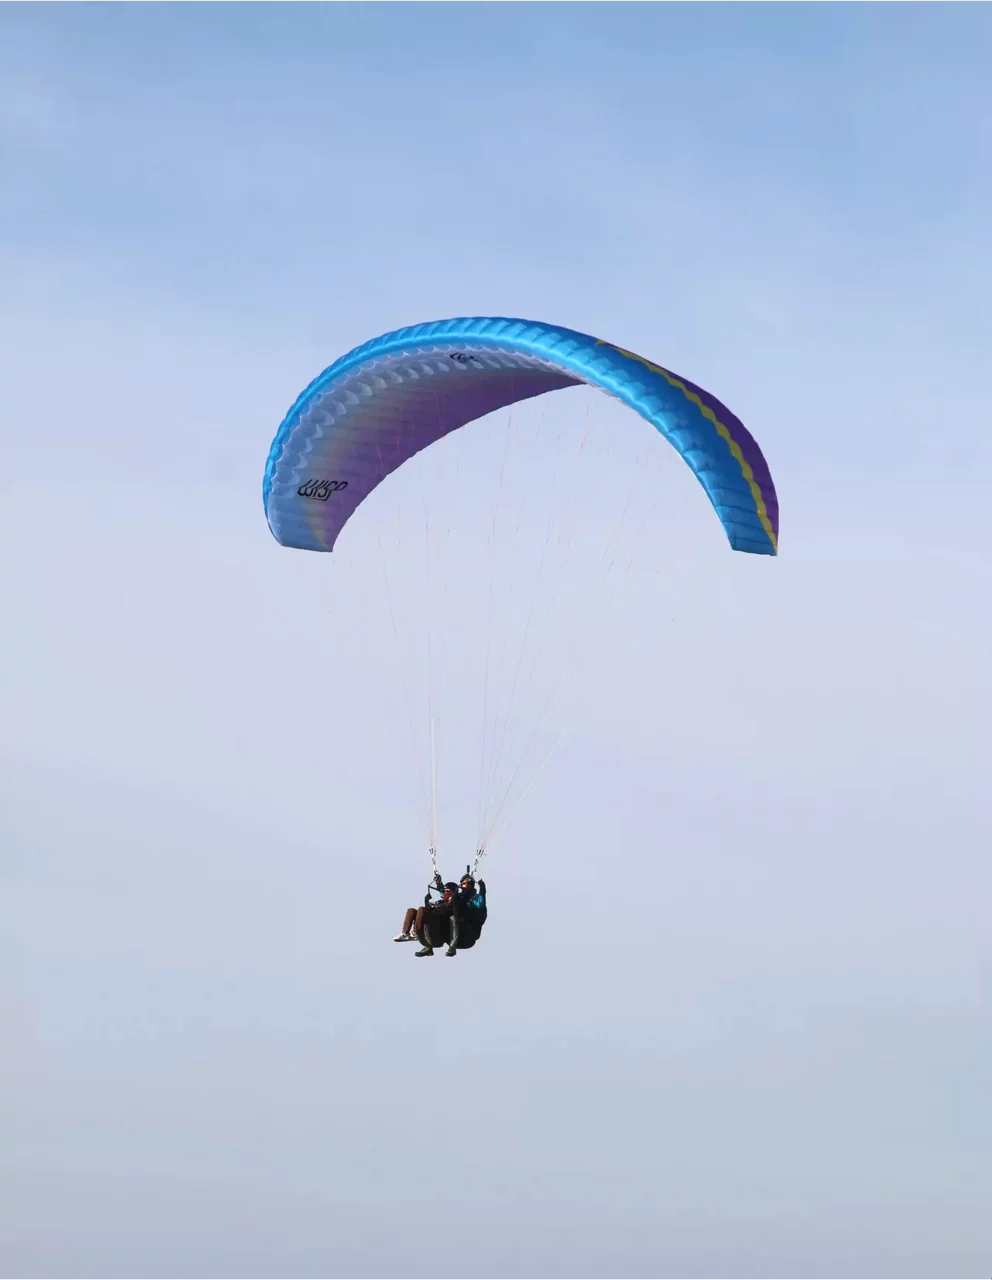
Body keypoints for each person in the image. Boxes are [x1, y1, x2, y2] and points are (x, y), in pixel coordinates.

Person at [394, 874, 452, 942]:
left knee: (421, 909)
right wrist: (438, 881)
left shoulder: (454, 901)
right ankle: (405, 933)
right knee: (411, 911)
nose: (445, 893)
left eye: (447, 891)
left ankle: (415, 933)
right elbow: (441, 890)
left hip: (438, 920)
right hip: (432, 914)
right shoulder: (443, 899)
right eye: (445, 891)